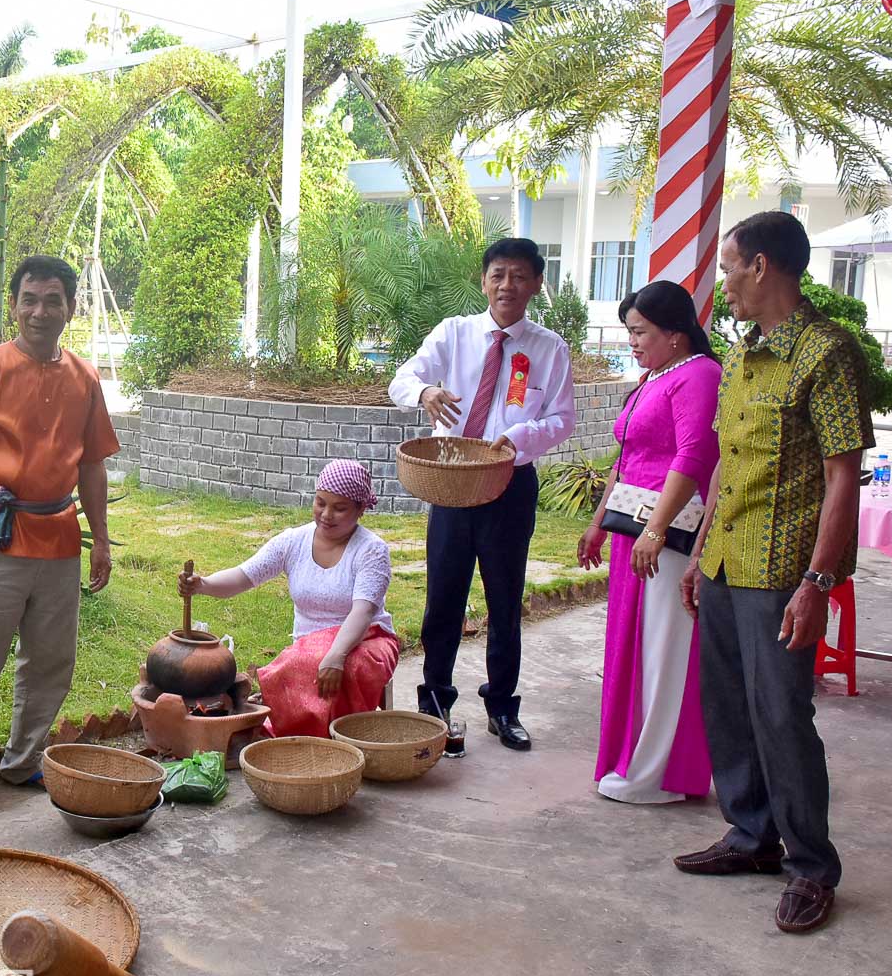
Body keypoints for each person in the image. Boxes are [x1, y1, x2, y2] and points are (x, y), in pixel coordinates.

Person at [677, 211, 872, 935]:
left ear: (761, 266)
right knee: (727, 707)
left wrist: (818, 584)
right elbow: (730, 457)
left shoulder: (825, 352)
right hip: (728, 558)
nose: (722, 281)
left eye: (728, 266)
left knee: (782, 717)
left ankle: (810, 866)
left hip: (783, 571)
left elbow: (841, 474)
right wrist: (699, 554)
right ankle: (750, 835)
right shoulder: (743, 352)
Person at [0, 255, 120, 817]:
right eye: (29, 300)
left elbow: (92, 466)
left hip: (60, 536)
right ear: (13, 305)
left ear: (70, 307)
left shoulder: (85, 378)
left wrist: (102, 539)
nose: (40, 311)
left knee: (51, 659)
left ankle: (23, 757)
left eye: (53, 300)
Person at [388, 237, 575, 755]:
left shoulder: (548, 348)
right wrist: (425, 393)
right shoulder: (456, 333)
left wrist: (517, 440)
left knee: (504, 601)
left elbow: (562, 419)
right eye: (498, 274)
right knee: (443, 597)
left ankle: (501, 707)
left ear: (537, 284)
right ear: (484, 279)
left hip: (510, 486)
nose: (507, 285)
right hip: (453, 482)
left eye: (519, 276)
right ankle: (435, 701)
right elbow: (403, 378)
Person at [577, 282, 720, 804]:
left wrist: (657, 531)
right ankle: (630, 758)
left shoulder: (700, 376)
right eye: (630, 332)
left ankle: (656, 772)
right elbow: (626, 458)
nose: (632, 342)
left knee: (663, 648)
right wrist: (598, 522)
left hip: (668, 537)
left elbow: (694, 457)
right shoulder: (654, 377)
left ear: (675, 334)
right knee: (631, 646)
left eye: (639, 332)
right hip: (633, 532)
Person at [179, 460, 401, 739]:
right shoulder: (293, 541)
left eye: (340, 508)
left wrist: (336, 655)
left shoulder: (372, 550)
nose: (326, 514)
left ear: (360, 509)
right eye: (321, 503)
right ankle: (305, 736)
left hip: (368, 640)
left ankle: (339, 736)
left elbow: (363, 612)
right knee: (302, 661)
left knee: (345, 666)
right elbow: (244, 576)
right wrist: (204, 584)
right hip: (308, 647)